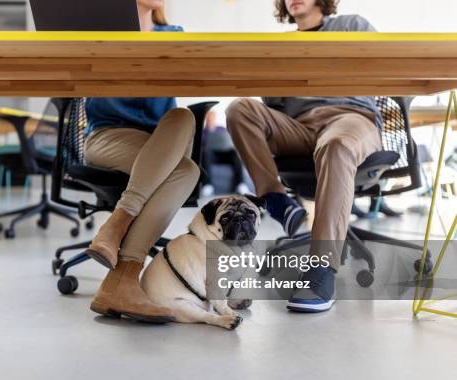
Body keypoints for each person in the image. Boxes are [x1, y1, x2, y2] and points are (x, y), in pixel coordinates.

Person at [226, 0, 382, 313]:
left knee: (335, 145)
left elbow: (384, 67)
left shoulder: (351, 26)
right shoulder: (283, 46)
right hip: (299, 126)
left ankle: (322, 268)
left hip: (350, 118)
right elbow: (273, 105)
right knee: (239, 109)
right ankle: (275, 199)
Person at [83, 0, 199, 323]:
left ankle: (115, 227)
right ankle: (123, 276)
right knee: (186, 171)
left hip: (159, 143)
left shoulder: (173, 35)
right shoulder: (100, 33)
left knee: (182, 118)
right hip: (107, 137)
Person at [201, 110, 250, 196]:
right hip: (212, 155)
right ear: (206, 118)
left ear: (214, 118)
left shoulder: (222, 129)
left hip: (225, 154)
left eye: (212, 117)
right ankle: (207, 185)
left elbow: (230, 141)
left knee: (234, 152)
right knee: (205, 152)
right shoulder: (203, 132)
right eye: (208, 117)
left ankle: (241, 184)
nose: (210, 119)